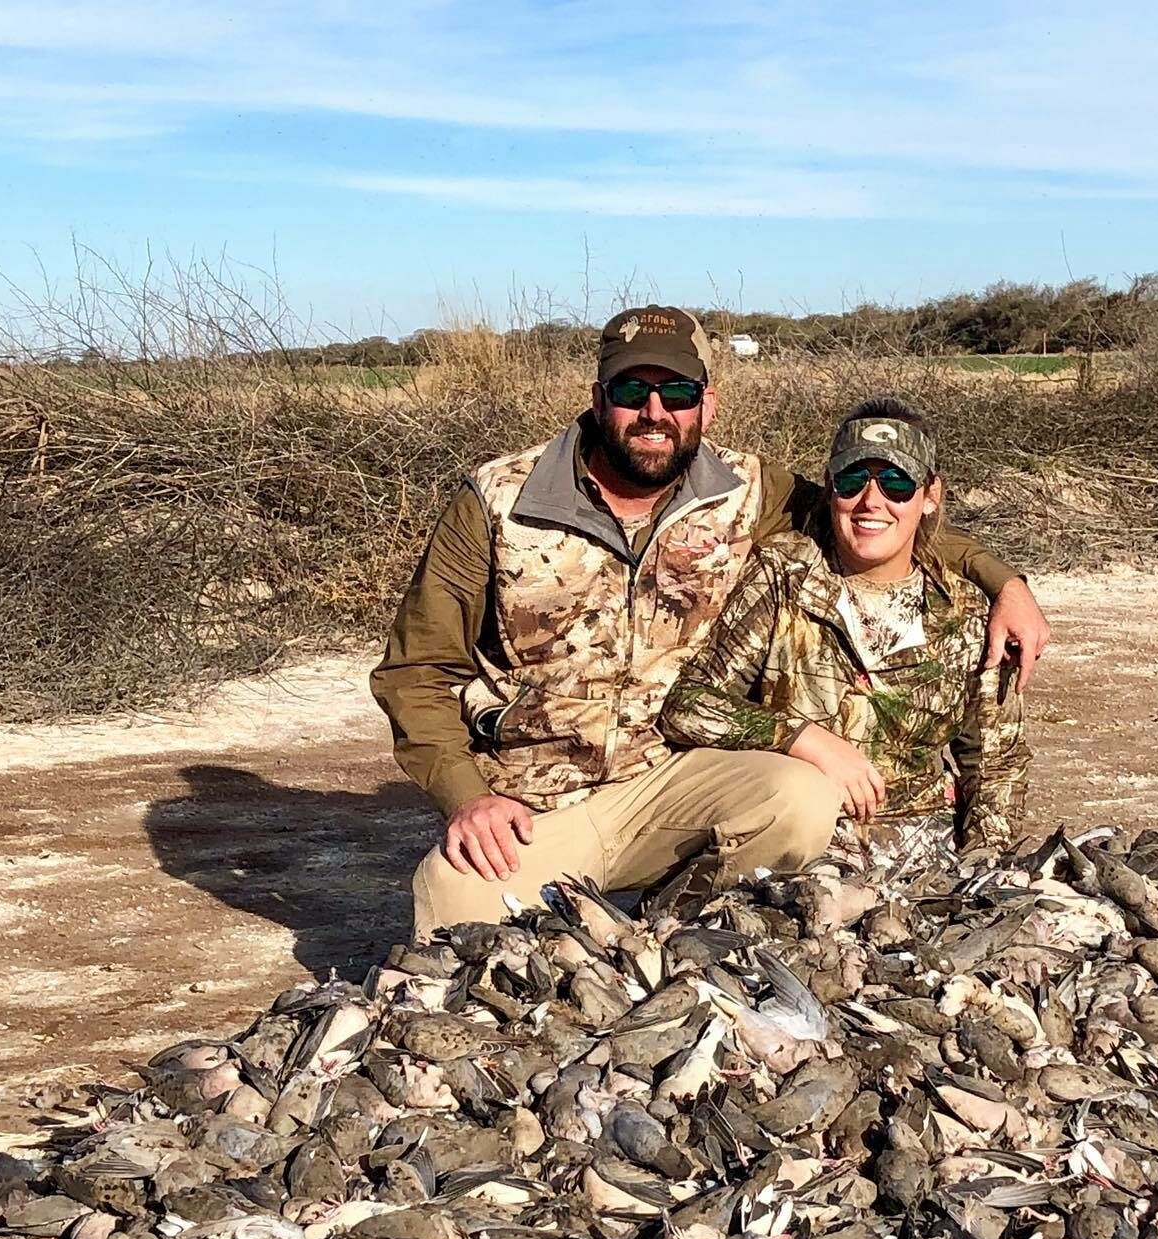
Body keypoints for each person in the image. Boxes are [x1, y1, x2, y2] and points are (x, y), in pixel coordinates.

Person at [371, 306, 1049, 937]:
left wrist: (1004, 582)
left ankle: (671, 920)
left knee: (800, 800)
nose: (655, 413)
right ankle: (596, 914)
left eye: (679, 394)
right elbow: (416, 672)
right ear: (600, 398)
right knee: (453, 914)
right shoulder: (498, 499)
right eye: (633, 392)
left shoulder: (748, 491)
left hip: (682, 778)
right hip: (538, 801)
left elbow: (876, 522)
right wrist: (466, 797)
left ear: (708, 403)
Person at [658, 396, 1028, 862]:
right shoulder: (782, 576)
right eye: (853, 480)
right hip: (796, 847)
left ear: (930, 496)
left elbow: (996, 764)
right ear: (831, 487)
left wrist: (983, 865)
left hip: (926, 857)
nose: (871, 501)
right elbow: (689, 705)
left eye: (896, 483)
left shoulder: (969, 611)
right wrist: (801, 738)